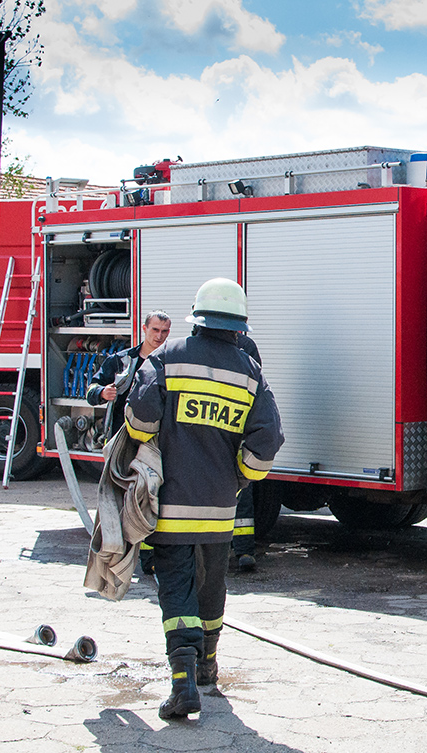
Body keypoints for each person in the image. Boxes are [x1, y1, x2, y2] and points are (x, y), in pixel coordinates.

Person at [125, 278, 283, 720]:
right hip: (219, 509)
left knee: (176, 589)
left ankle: (182, 682)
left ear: (197, 318)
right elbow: (269, 438)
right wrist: (240, 478)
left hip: (170, 506)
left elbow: (140, 418)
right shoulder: (250, 372)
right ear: (237, 325)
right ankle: (209, 665)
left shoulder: (167, 356)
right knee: (213, 588)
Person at [87, 310, 171, 574]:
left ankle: (150, 560)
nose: (159, 336)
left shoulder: (170, 362)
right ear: (144, 329)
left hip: (157, 443)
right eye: (155, 330)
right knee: (124, 500)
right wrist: (102, 392)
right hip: (124, 441)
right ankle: (119, 557)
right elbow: (91, 391)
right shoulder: (121, 361)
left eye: (165, 331)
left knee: (150, 498)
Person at [231, 329, 261, 574]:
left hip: (235, 431)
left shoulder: (245, 347)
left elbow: (255, 387)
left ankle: (244, 550)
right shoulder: (188, 348)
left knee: (242, 491)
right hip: (212, 433)